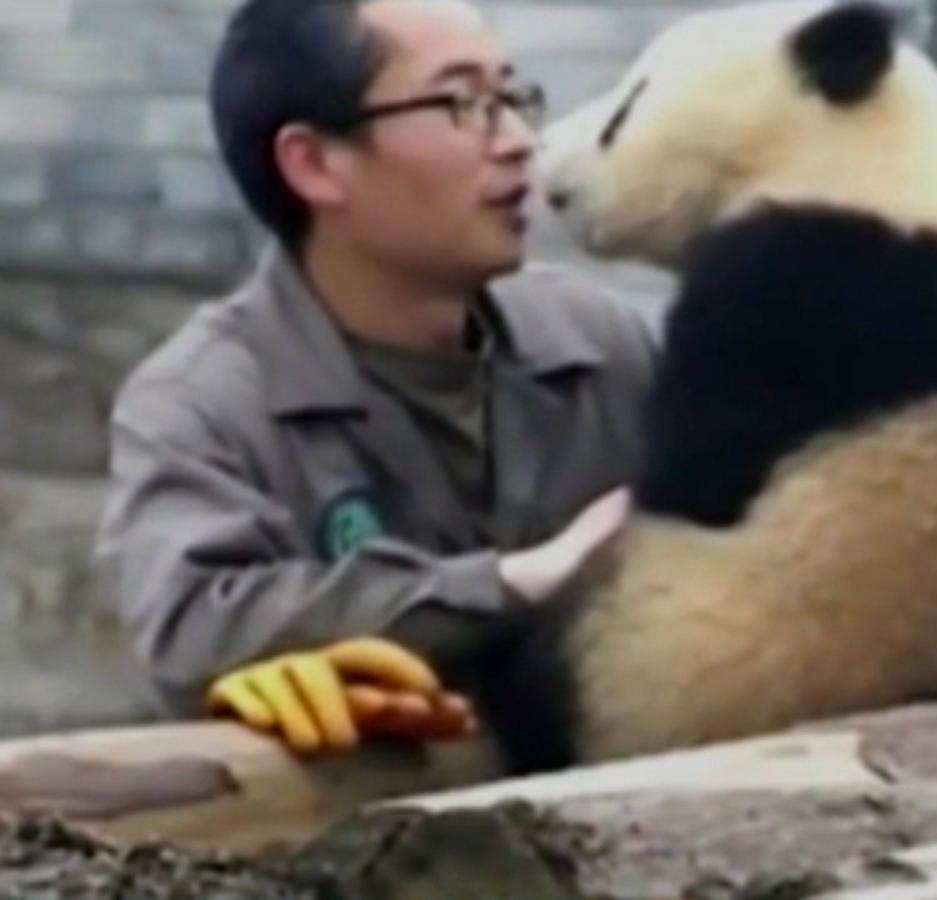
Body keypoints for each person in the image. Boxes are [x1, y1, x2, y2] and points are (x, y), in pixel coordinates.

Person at [94, 0, 659, 756]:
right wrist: (514, 583)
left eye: (511, 98)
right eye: (463, 105)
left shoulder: (603, 346)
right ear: (314, 162)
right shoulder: (207, 405)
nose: (521, 143)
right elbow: (193, 628)